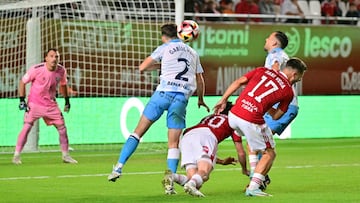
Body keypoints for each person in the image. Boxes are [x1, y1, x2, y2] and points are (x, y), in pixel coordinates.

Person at [107, 23, 210, 186]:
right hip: (181, 99)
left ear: (164, 37)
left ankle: (118, 168)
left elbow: (142, 67)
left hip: (162, 94)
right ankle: (170, 180)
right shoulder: (193, 53)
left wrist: (162, 65)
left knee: (137, 132)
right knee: (173, 143)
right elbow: (200, 79)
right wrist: (201, 99)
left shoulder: (165, 48)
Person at [214, 58, 307, 196]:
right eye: (299, 77)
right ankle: (254, 187)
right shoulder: (288, 91)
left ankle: (253, 171)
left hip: (234, 114)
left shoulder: (262, 70)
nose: (298, 81)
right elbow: (275, 116)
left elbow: (239, 82)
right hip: (250, 119)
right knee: (270, 153)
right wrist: (267, 104)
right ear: (294, 75)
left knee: (253, 143)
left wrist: (223, 100)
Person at [162, 102, 249, 197]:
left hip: (187, 136)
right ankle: (190, 184)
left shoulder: (209, 117)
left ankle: (172, 176)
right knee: (204, 173)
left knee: (195, 178)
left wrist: (222, 161)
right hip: (207, 136)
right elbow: (241, 153)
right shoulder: (232, 123)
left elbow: (201, 152)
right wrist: (244, 169)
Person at [13, 48, 77, 165]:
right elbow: (22, 82)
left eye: (56, 56)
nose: (54, 59)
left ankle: (66, 156)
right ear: (46, 58)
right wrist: (22, 100)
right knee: (26, 128)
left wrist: (67, 101)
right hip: (34, 104)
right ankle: (16, 155)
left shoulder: (61, 70)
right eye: (51, 56)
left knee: (62, 129)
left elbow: (63, 85)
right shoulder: (36, 69)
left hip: (51, 105)